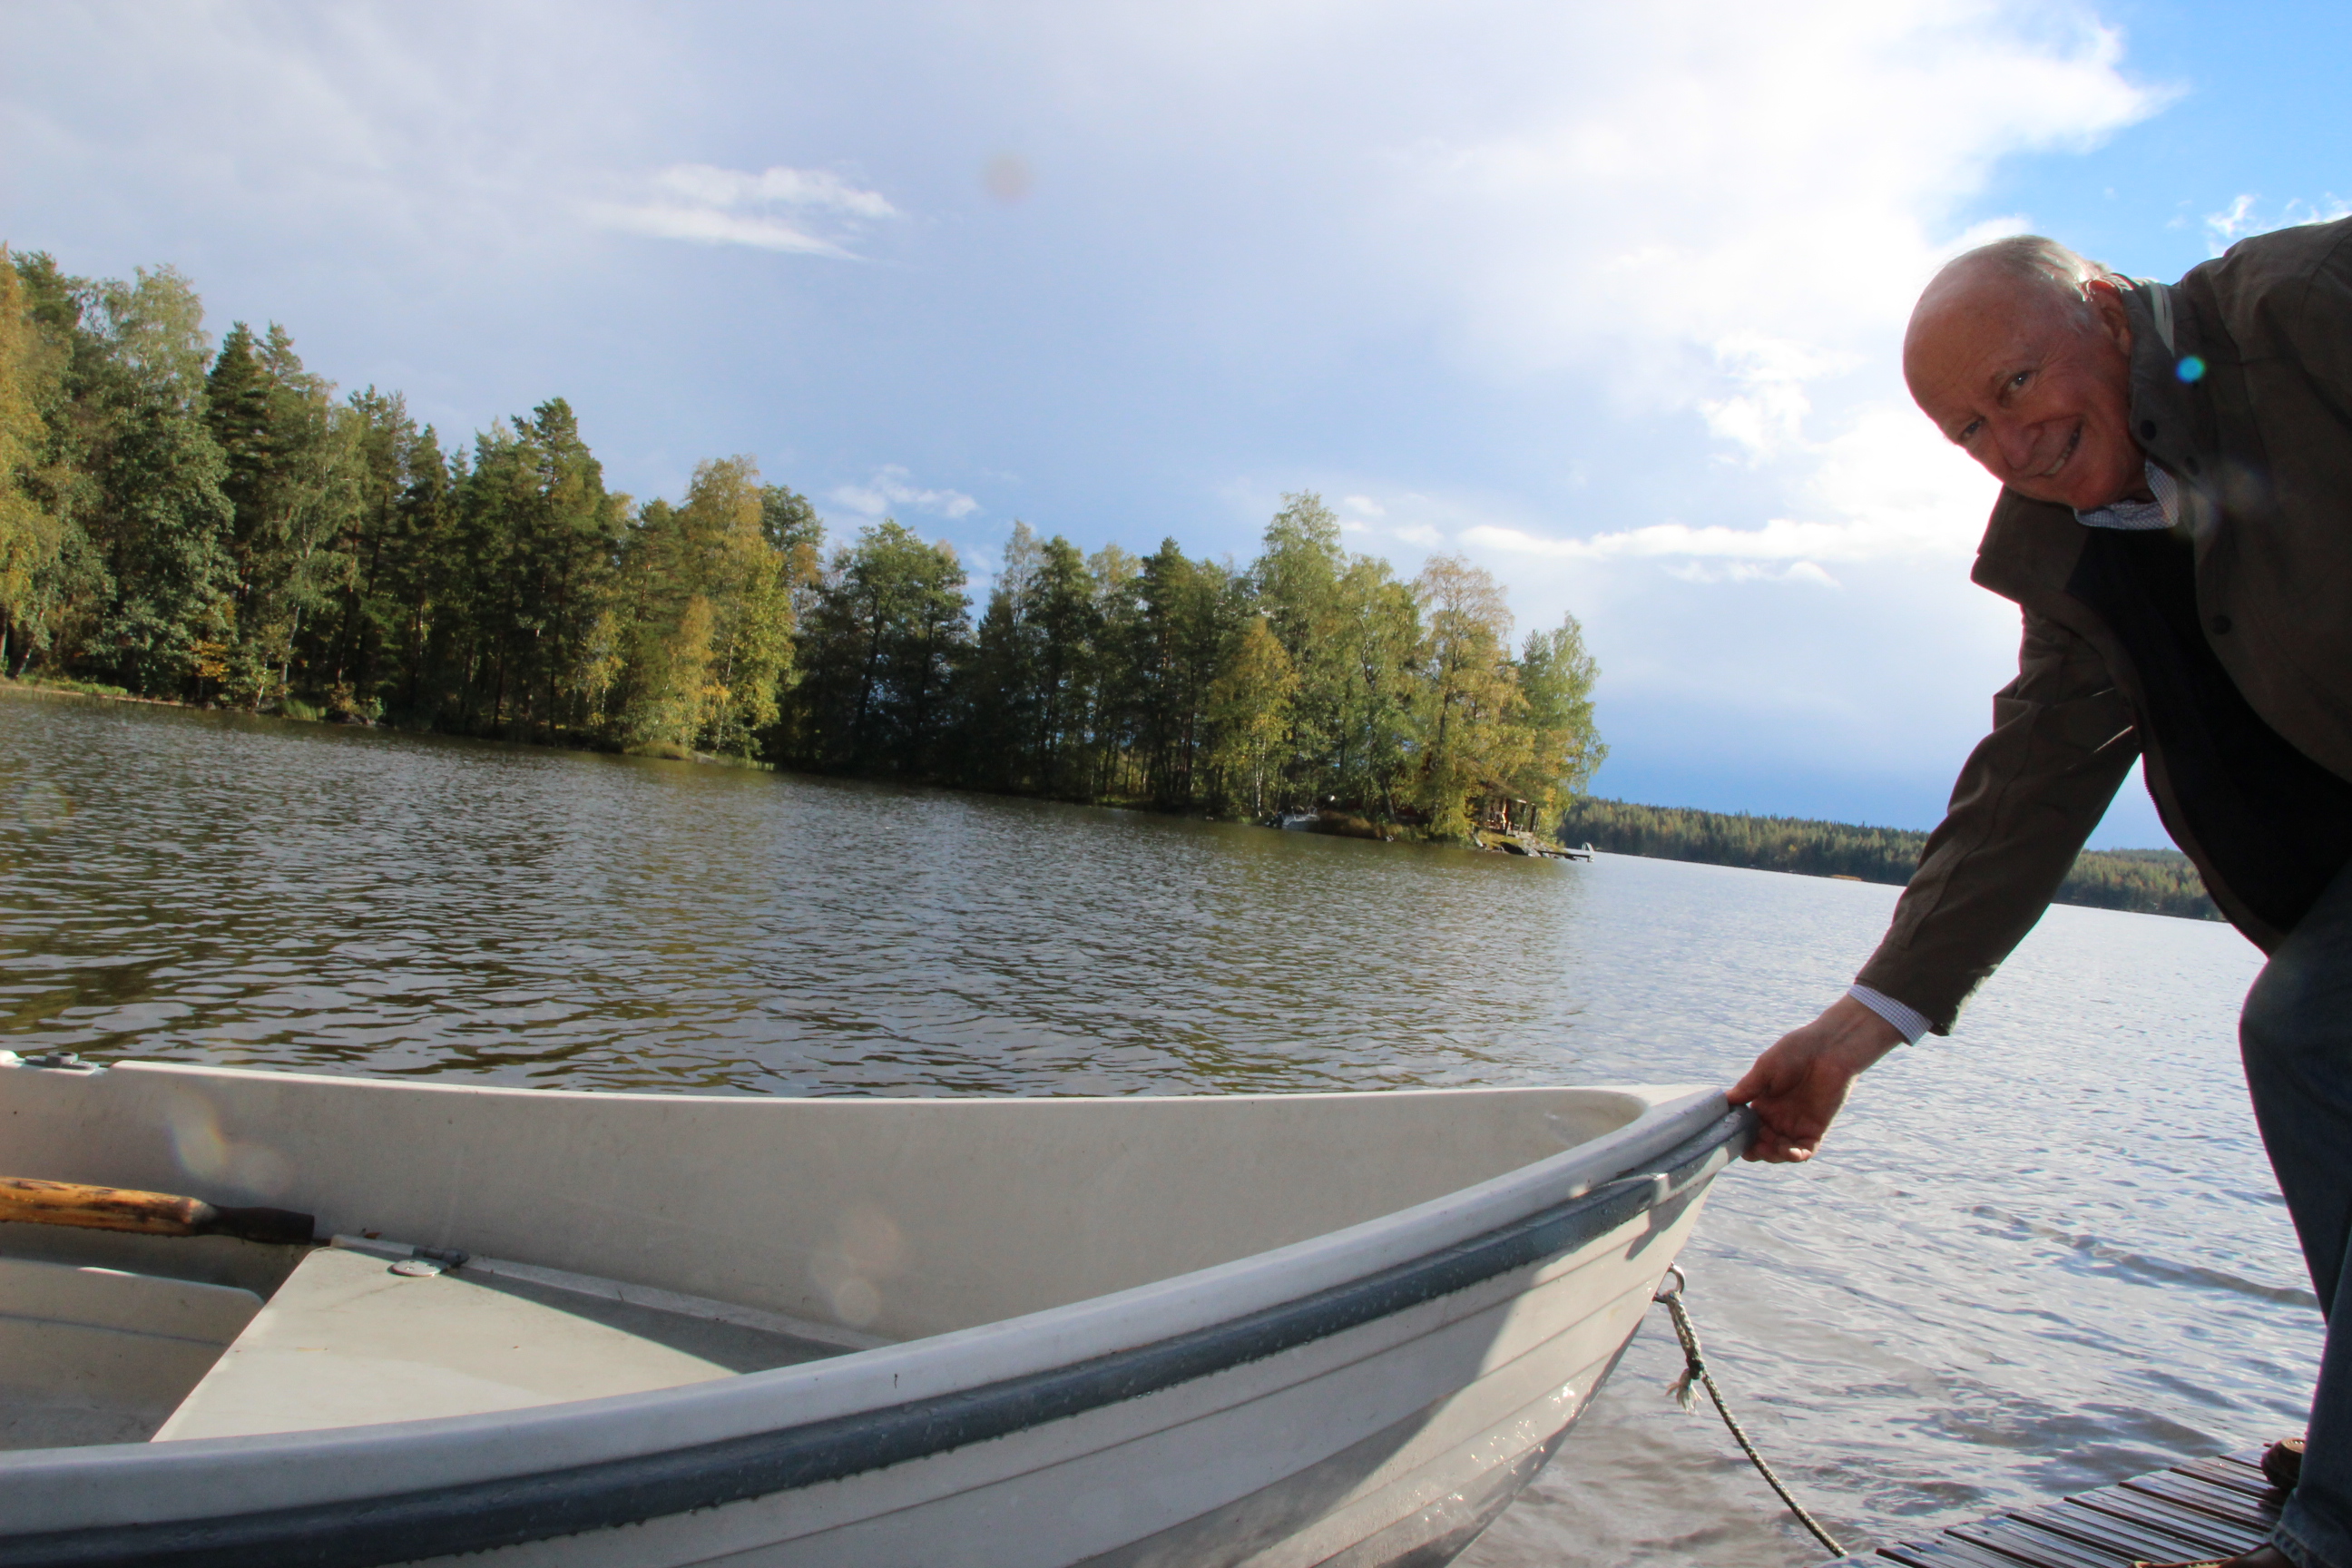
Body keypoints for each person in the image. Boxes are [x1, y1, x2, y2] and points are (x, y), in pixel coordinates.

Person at [1730, 218, 2352, 1568]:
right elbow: (2029, 786)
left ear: (2110, 307)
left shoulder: (2303, 312)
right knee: (2318, 1049)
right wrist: (1853, 1033)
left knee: (2309, 1035)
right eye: (1968, 431)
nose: (2008, 444)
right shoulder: (2072, 543)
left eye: (2013, 385)